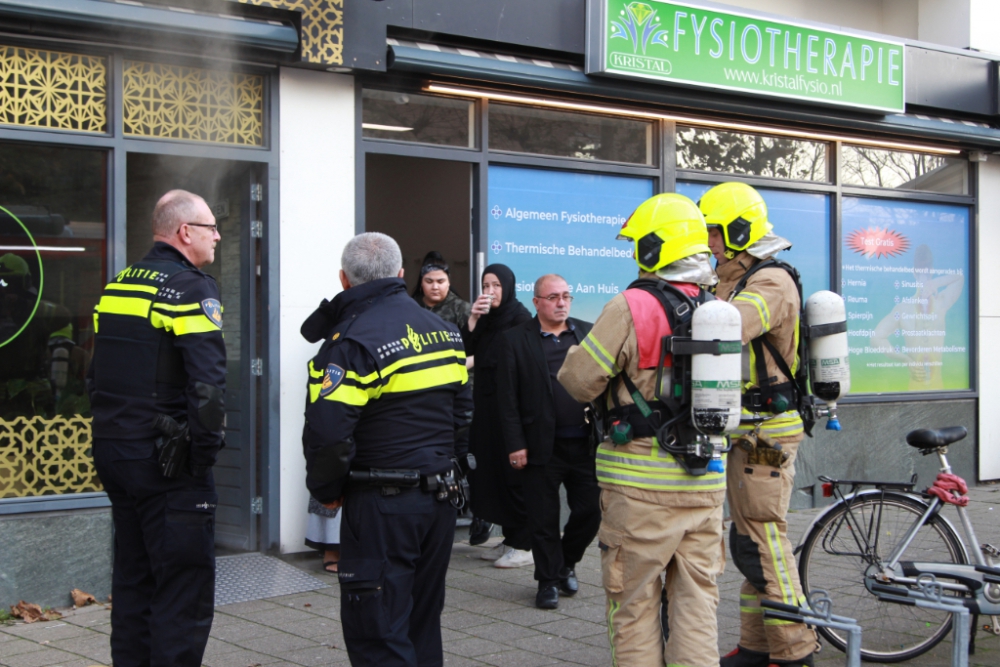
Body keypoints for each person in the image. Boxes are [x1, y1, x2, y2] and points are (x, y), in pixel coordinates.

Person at [558, 193, 727, 667]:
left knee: (632, 607)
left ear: (653, 248)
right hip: (706, 480)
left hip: (639, 486)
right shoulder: (719, 309)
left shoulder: (631, 305)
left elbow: (577, 380)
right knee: (697, 608)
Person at [300, 232, 472, 667]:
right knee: (421, 622)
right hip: (440, 499)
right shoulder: (447, 333)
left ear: (344, 280)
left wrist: (326, 491)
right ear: (400, 275)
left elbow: (328, 433)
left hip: (381, 507)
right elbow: (462, 415)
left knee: (378, 630)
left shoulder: (352, 343)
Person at [88, 189, 226, 667]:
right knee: (181, 596)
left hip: (116, 450)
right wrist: (201, 460)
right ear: (185, 232)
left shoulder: (120, 284)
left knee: (133, 583)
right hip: (167, 463)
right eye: (211, 227)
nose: (218, 236)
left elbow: (97, 372)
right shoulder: (191, 287)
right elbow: (207, 388)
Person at [699, 182, 817, 667]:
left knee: (765, 537)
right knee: (747, 540)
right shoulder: (730, 277)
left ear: (739, 231)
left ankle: (796, 651)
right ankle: (755, 646)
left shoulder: (770, 282)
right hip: (745, 427)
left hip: (767, 430)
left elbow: (731, 326)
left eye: (713, 233)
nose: (707, 243)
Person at [496, 274, 599, 609]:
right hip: (540, 445)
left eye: (566, 296)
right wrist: (515, 444)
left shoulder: (586, 332)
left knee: (590, 512)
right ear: (536, 301)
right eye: (553, 297)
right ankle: (547, 581)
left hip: (585, 444)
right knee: (542, 518)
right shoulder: (515, 339)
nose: (561, 302)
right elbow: (507, 397)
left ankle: (567, 561)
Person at [461, 263, 534, 568]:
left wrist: (474, 361)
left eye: (496, 286)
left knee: (511, 473)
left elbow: (506, 358)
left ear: (508, 287)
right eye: (485, 285)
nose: (490, 292)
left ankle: (525, 544)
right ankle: (509, 538)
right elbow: (465, 347)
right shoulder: (488, 319)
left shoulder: (520, 318)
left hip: (509, 407)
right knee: (490, 470)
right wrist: (474, 318)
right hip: (486, 405)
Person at [411, 251, 472, 328]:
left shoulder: (462, 309)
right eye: (429, 281)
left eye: (440, 282)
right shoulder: (411, 306)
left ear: (448, 282)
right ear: (421, 283)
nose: (435, 287)